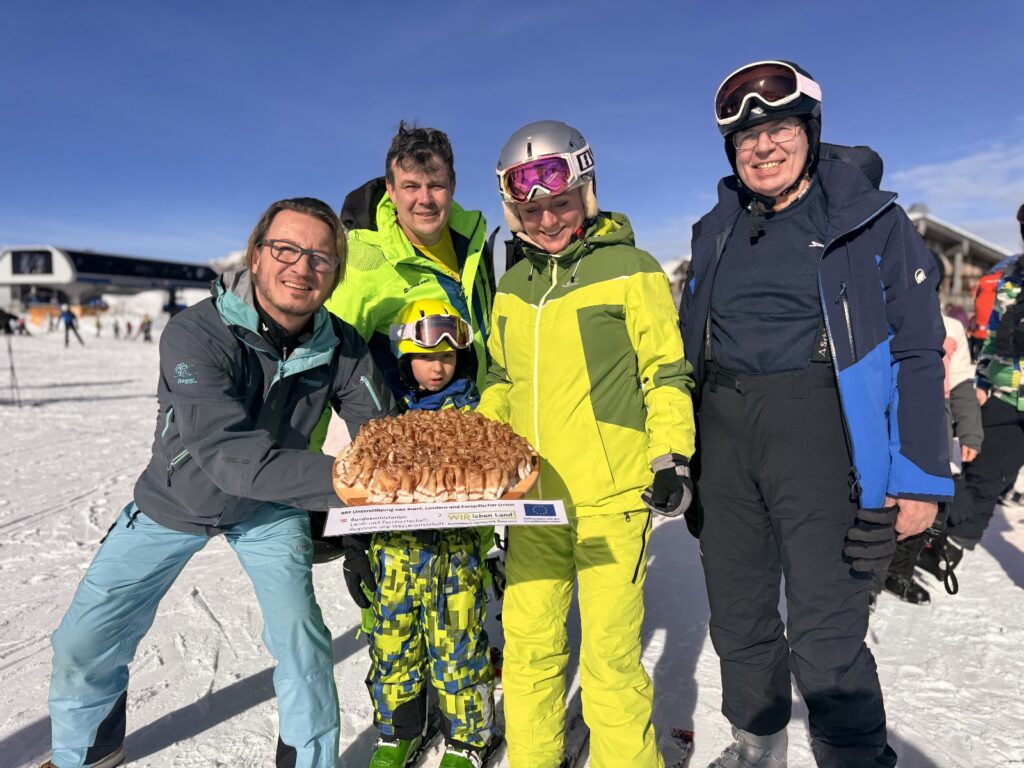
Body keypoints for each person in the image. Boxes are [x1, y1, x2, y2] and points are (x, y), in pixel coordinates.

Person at [42, 197, 394, 768]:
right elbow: (230, 457)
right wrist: (354, 486)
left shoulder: (342, 347)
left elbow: (384, 439)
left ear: (335, 274)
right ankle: (87, 752)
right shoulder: (197, 332)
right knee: (83, 641)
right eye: (286, 249)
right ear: (256, 256)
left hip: (270, 506)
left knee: (301, 643)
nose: (302, 268)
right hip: (176, 498)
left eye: (320, 258)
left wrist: (402, 493)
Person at [678, 61, 952, 767]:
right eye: (746, 138)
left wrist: (919, 476)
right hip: (726, 440)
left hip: (822, 433)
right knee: (738, 618)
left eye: (778, 129)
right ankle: (757, 746)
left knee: (826, 634)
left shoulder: (869, 221)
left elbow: (919, 350)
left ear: (810, 130)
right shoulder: (715, 229)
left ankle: (852, 757)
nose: (762, 147)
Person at [479, 120, 696, 768]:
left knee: (608, 660)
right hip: (535, 501)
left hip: (612, 498)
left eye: (561, 203)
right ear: (514, 213)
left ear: (587, 193)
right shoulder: (512, 288)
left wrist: (671, 456)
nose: (547, 220)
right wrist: (488, 452)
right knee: (530, 647)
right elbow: (499, 379)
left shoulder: (631, 269)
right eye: (531, 210)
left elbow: (665, 371)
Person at [348, 298, 498, 768]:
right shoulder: (383, 411)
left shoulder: (475, 413)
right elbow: (361, 480)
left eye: (448, 357)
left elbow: (498, 478)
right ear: (404, 358)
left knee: (458, 649)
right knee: (392, 646)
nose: (438, 368)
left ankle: (470, 737)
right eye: (427, 357)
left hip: (454, 557)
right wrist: (355, 543)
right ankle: (399, 732)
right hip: (394, 555)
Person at [323, 121, 495, 401]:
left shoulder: (472, 239)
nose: (425, 199)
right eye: (411, 186)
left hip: (486, 415)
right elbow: (324, 364)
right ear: (391, 190)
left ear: (452, 185)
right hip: (414, 425)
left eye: (436, 185)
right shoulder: (363, 261)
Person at [946, 203, 1024, 548]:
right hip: (1006, 394)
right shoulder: (1008, 277)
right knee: (981, 477)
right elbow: (992, 337)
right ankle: (948, 549)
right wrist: (981, 383)